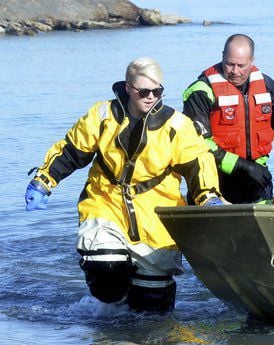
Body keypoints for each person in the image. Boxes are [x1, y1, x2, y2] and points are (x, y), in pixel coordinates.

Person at [24, 57, 224, 312]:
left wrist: (208, 197)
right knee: (106, 269)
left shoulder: (177, 126)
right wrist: (43, 181)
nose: (151, 97)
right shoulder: (102, 116)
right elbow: (71, 151)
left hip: (156, 213)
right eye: (144, 91)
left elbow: (198, 164)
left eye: (157, 91)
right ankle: (111, 308)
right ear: (129, 87)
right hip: (105, 201)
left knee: (152, 308)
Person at [183, 34, 274, 203]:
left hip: (257, 176)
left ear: (252, 60)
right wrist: (242, 166)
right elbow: (198, 143)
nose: (235, 71)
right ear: (222, 56)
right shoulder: (201, 90)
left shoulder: (266, 86)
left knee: (261, 224)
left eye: (241, 65)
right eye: (230, 64)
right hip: (214, 178)